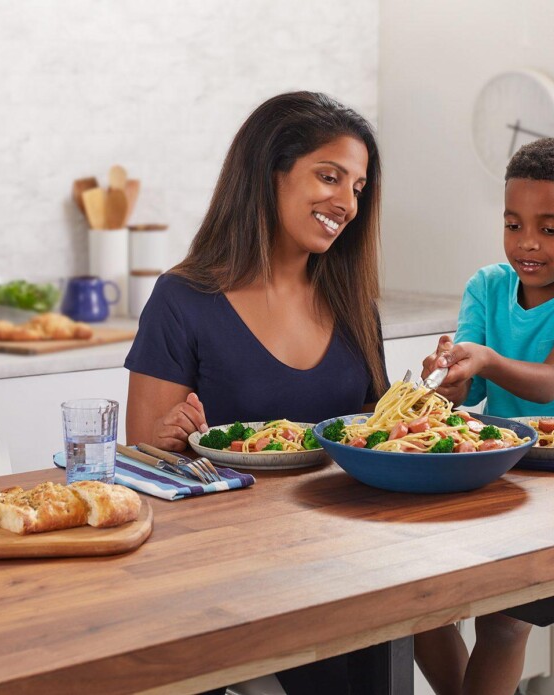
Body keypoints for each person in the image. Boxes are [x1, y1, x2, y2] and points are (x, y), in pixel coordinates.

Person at [124, 91, 389, 695]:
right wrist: (168, 443)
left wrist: (427, 404)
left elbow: (377, 433)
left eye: (358, 186)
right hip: (227, 582)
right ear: (269, 173)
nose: (346, 202)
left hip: (350, 562)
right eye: (329, 176)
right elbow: (139, 462)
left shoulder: (352, 302)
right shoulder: (183, 299)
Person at [414, 137, 554, 695]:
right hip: (491, 475)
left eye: (550, 229)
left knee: (505, 623)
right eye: (513, 225)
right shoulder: (487, 286)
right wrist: (448, 375)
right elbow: (466, 394)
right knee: (419, 608)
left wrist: (483, 357)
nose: (527, 243)